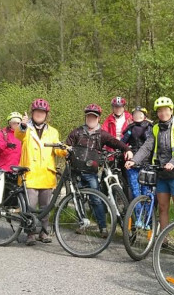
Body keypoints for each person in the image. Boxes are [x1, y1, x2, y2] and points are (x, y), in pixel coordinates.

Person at [126, 96, 174, 236]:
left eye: (165, 110)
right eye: (160, 111)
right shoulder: (156, 128)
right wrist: (134, 160)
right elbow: (147, 147)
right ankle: (163, 240)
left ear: (171, 110)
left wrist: (172, 163)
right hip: (161, 173)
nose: (163, 113)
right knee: (162, 208)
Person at [66, 104, 133, 238]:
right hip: (76, 170)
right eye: (89, 116)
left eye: (94, 117)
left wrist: (127, 149)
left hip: (91, 172)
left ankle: (102, 227)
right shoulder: (77, 132)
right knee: (77, 198)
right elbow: (67, 144)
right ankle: (82, 223)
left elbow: (114, 142)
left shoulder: (101, 134)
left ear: (98, 118)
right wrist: (66, 149)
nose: (91, 119)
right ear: (86, 117)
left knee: (96, 199)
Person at [16, 99, 67, 245]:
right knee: (30, 206)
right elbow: (18, 135)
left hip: (46, 174)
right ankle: (30, 233)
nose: (39, 114)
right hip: (30, 173)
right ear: (33, 113)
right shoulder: (26, 129)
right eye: (37, 112)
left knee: (46, 207)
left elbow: (56, 148)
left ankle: (44, 233)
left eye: (42, 112)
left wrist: (66, 150)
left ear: (46, 115)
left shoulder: (53, 131)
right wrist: (23, 125)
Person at [121, 106, 153, 212]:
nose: (137, 116)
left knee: (146, 191)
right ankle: (138, 216)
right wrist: (125, 149)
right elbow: (122, 142)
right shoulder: (130, 129)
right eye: (135, 114)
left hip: (146, 163)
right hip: (132, 163)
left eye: (140, 114)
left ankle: (148, 219)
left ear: (145, 116)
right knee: (135, 191)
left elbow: (151, 144)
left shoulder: (150, 128)